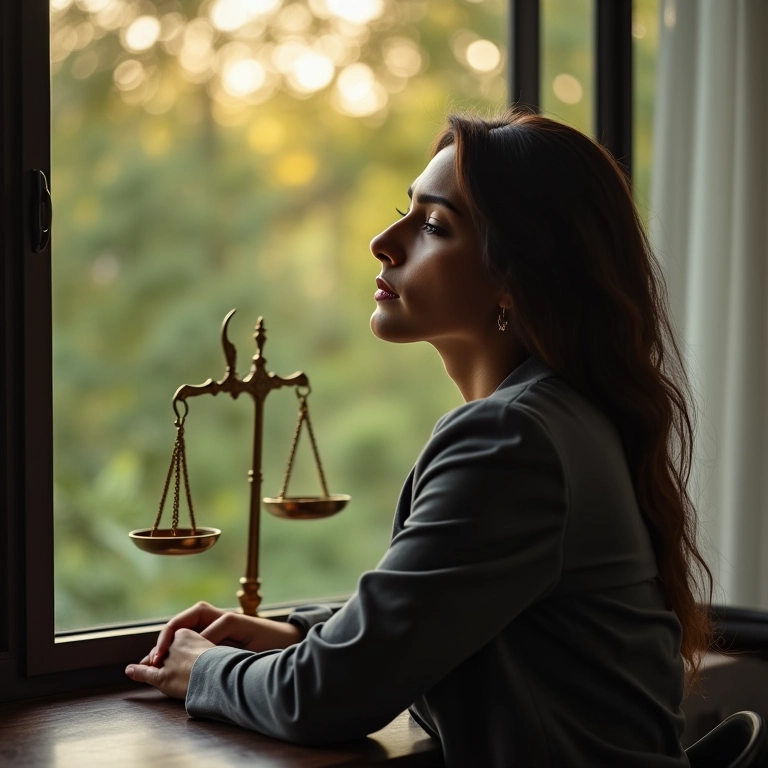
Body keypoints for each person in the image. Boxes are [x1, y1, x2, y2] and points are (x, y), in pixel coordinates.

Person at [126, 110, 714, 767]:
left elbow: (324, 699)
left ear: (515, 281)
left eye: (434, 226)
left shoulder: (512, 440)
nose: (384, 240)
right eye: (405, 211)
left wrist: (202, 671)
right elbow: (455, 610)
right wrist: (298, 630)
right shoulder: (567, 416)